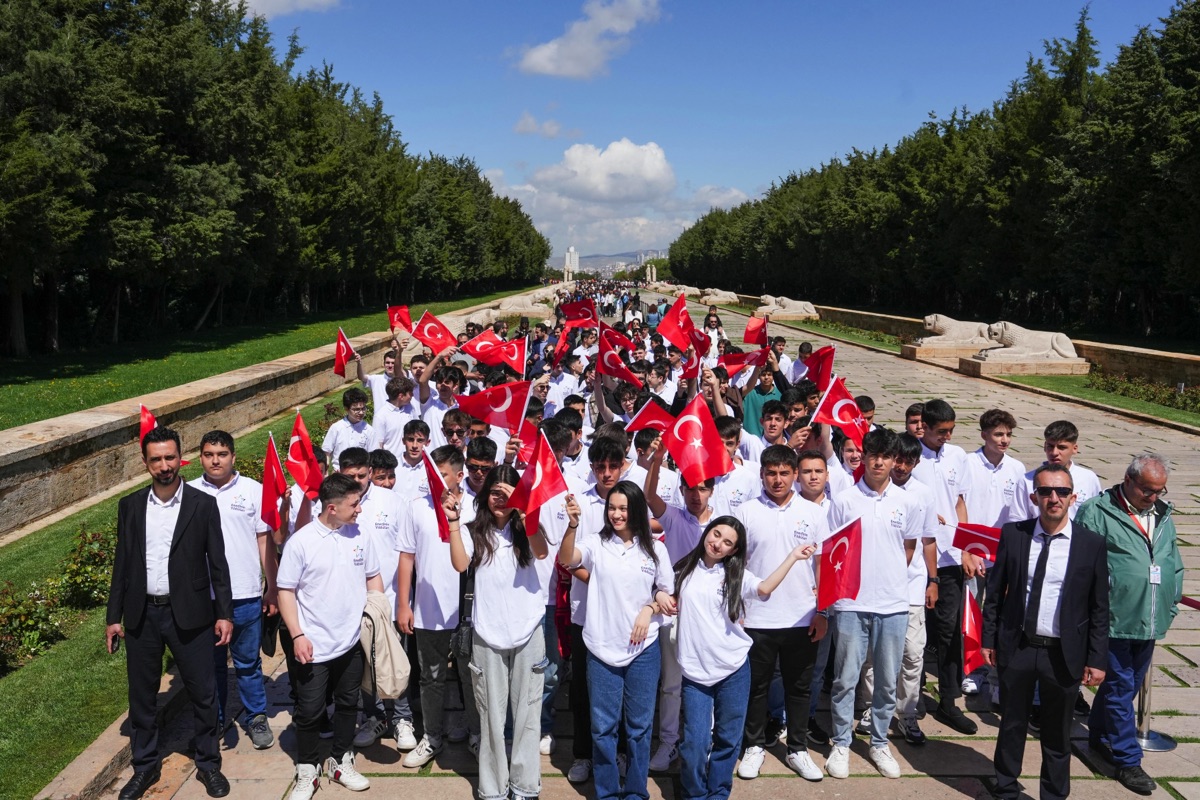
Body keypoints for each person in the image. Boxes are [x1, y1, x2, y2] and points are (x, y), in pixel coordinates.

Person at [106, 427, 234, 800]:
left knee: (203, 694)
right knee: (142, 697)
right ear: (145, 463)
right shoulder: (130, 506)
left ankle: (208, 764)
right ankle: (145, 767)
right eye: (156, 459)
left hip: (191, 616)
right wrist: (114, 617)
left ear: (181, 458)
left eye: (170, 457)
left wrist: (224, 613)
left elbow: (218, 563)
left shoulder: (201, 504)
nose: (164, 466)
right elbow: (121, 564)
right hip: (142, 616)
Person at [982, 464, 1110, 800]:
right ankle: (1005, 787)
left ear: (1073, 497)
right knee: (1011, 724)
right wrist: (988, 639)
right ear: (1034, 497)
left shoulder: (1091, 544)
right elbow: (994, 593)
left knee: (1057, 732)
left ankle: (1053, 794)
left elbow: (1099, 607)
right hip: (1019, 647)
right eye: (1046, 491)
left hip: (1063, 653)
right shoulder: (1014, 534)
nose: (1054, 498)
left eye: (1062, 491)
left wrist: (1097, 658)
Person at [673, 516, 817, 800]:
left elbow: (764, 588)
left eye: (728, 542)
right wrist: (656, 601)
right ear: (707, 532)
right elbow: (661, 592)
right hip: (695, 672)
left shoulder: (736, 575)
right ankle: (694, 794)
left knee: (728, 738)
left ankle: (718, 792)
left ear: (734, 550)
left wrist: (792, 557)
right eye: (716, 534)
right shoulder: (683, 569)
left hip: (733, 668)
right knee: (695, 742)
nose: (718, 544)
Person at [558, 481, 676, 800]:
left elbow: (667, 594)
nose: (617, 514)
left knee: (639, 728)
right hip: (601, 650)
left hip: (643, 650)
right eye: (612, 507)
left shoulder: (655, 549)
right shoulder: (595, 543)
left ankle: (636, 791)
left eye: (623, 508)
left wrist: (649, 608)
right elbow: (568, 558)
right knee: (603, 728)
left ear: (636, 509)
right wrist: (572, 526)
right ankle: (607, 792)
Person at [1078, 453, 1184, 796]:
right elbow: (1082, 567)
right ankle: (1128, 759)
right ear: (1128, 480)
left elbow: (1173, 562)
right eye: (1147, 490)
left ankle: (1098, 734)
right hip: (1113, 619)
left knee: (1124, 687)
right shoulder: (1097, 511)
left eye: (1159, 490)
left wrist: (1170, 604)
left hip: (1150, 618)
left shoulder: (1162, 515)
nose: (1153, 496)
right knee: (1121, 688)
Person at [447, 465, 553, 800]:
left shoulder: (528, 527)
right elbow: (460, 564)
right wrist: (452, 522)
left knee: (527, 714)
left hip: (528, 631)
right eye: (495, 492)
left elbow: (541, 551)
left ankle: (525, 786)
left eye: (507, 493)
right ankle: (492, 788)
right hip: (486, 633)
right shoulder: (472, 530)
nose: (500, 499)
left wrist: (523, 511)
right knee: (491, 717)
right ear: (484, 495)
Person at [278, 474, 385, 799]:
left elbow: (373, 578)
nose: (359, 510)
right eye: (354, 504)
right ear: (332, 508)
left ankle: (341, 760)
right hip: (313, 646)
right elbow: (285, 592)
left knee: (348, 704)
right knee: (310, 711)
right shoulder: (301, 542)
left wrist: (379, 621)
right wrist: (297, 635)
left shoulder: (360, 535)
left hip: (351, 642)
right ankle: (307, 769)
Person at [825, 428, 922, 780]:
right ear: (863, 457)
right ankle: (841, 742)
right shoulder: (844, 500)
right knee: (845, 678)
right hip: (851, 603)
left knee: (886, 680)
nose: (879, 462)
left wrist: (887, 575)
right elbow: (832, 550)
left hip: (893, 603)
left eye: (886, 456)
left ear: (895, 460)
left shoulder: (907, 502)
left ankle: (879, 742)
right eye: (873, 455)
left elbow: (908, 549)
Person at [734, 445, 828, 782]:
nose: (777, 480)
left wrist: (822, 612)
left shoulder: (814, 513)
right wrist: (737, 609)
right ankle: (754, 746)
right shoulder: (745, 512)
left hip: (802, 617)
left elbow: (823, 565)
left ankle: (798, 749)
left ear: (795, 475)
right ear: (761, 474)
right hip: (755, 618)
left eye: (784, 473)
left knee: (799, 688)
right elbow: (736, 564)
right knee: (756, 687)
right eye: (771, 473)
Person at [188, 430, 276, 749]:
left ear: (233, 457)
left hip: (244, 593)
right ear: (200, 458)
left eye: (222, 454)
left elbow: (264, 541)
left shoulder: (253, 491)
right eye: (209, 454)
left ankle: (256, 716)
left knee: (248, 663)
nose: (216, 460)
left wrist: (272, 586)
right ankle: (216, 719)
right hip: (204, 598)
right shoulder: (188, 493)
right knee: (210, 667)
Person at [910, 398, 979, 735]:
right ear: (924, 427)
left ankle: (949, 700)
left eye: (951, 431)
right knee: (916, 631)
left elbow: (960, 503)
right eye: (941, 431)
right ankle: (913, 693)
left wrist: (967, 548)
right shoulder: (911, 455)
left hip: (951, 557)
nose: (947, 437)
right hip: (917, 559)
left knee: (950, 631)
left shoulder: (957, 456)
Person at [322, 388, 373, 471]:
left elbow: (372, 455)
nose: (361, 412)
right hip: (339, 473)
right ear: (346, 409)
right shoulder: (337, 428)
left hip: (359, 473)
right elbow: (326, 452)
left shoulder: (369, 430)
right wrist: (326, 472)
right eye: (356, 409)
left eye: (363, 408)